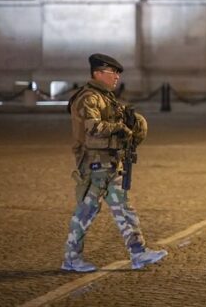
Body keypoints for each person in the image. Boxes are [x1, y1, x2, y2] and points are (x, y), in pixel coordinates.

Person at [61, 53, 167, 272]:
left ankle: (138, 253)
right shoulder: (89, 98)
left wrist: (132, 124)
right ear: (98, 73)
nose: (117, 76)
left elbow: (117, 123)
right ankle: (71, 258)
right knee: (86, 212)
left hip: (110, 163)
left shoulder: (106, 97)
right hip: (94, 165)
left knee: (124, 209)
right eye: (113, 72)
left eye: (118, 73)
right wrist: (119, 128)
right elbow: (94, 128)